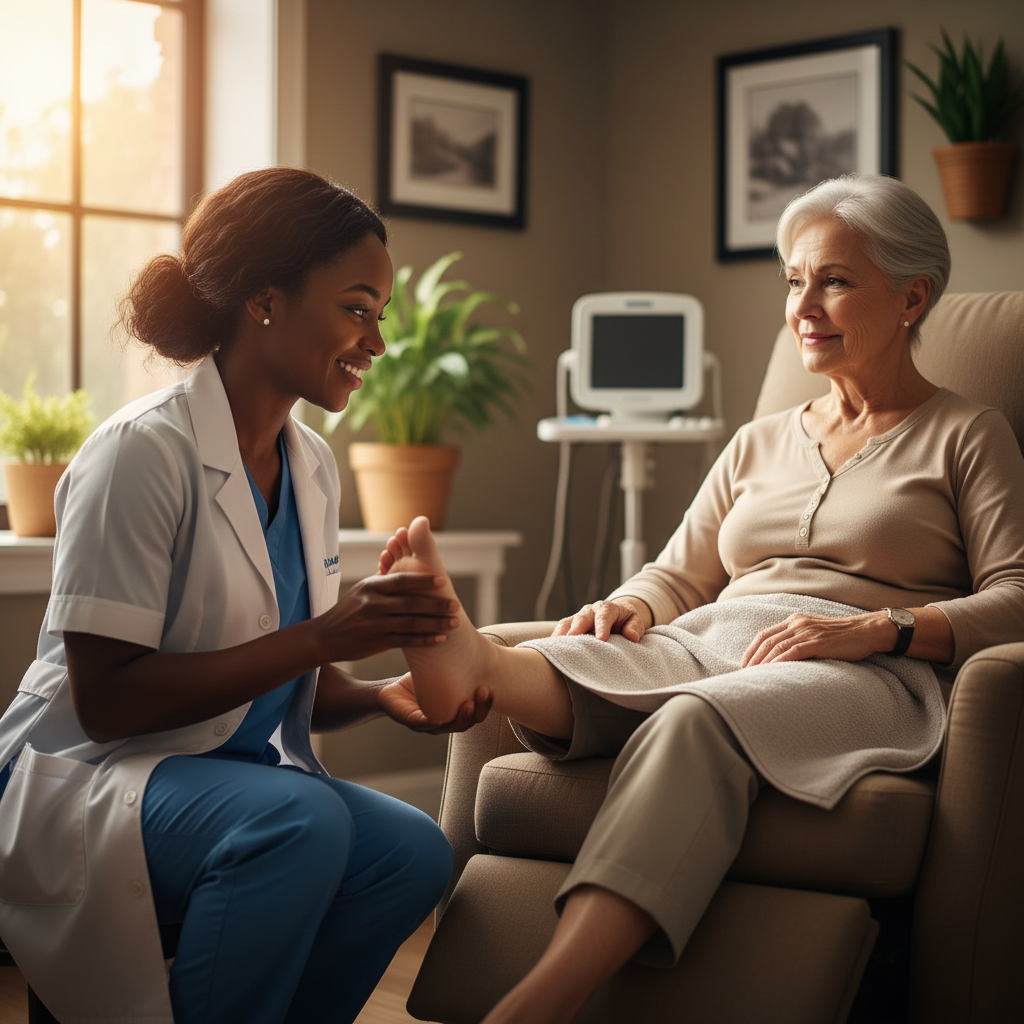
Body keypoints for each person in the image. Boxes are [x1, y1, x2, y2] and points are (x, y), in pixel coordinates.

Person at [375, 174, 1024, 1024]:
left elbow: (1017, 593)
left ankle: (542, 1001)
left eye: (833, 280)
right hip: (716, 639)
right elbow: (678, 576)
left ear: (913, 297)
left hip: (857, 670)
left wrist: (882, 629)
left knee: (694, 716)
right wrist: (632, 606)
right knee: (574, 656)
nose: (803, 305)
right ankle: (477, 663)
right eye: (794, 281)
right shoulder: (758, 441)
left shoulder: (967, 434)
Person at [0, 167, 490, 1024]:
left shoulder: (310, 466)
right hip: (81, 775)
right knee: (300, 823)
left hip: (223, 777)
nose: (377, 343)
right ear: (265, 300)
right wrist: (322, 639)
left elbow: (274, 688)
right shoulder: (138, 455)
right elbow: (107, 700)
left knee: (410, 852)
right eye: (357, 308)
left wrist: (377, 696)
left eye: (379, 316)